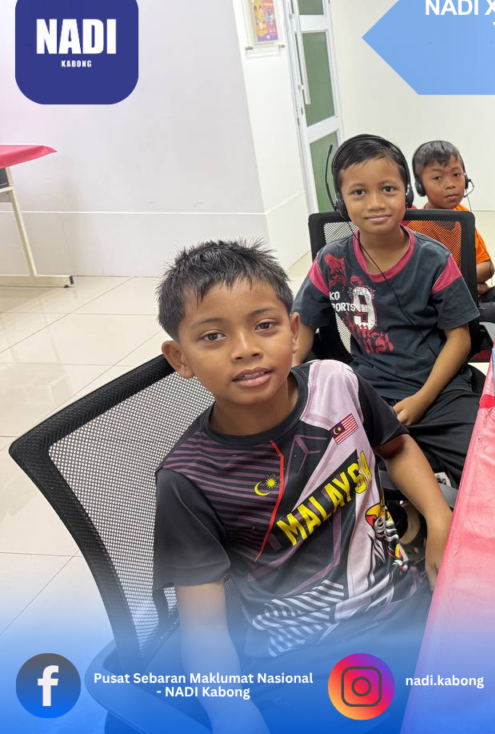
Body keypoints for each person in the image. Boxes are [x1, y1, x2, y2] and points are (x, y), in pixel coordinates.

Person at [154, 240, 452, 734]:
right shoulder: (188, 479)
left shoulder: (337, 383)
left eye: (264, 325)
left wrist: (439, 518)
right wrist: (231, 711)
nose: (245, 348)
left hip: (409, 608)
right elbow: (203, 628)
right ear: (179, 358)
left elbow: (396, 449)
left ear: (294, 333)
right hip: (305, 662)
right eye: (213, 336)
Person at [293, 134, 480, 485]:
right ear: (341, 201)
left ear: (406, 194)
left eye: (388, 189)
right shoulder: (330, 261)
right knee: (322, 474)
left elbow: (460, 339)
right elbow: (300, 332)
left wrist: (423, 398)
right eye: (359, 192)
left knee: (482, 468)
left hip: (438, 389)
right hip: (366, 391)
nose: (375, 203)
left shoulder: (434, 259)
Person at [412, 139, 495, 325]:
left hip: (474, 296)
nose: (450, 184)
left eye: (456, 174)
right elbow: (430, 290)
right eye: (438, 178)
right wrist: (470, 281)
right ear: (420, 186)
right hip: (448, 313)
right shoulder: (417, 229)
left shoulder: (463, 215)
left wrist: (461, 281)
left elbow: (488, 268)